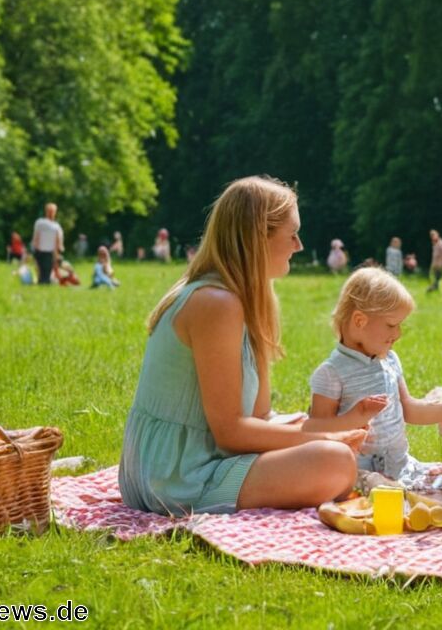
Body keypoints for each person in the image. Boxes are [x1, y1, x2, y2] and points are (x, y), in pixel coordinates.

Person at [118, 175, 364, 515]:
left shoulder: (250, 298)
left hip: (204, 458)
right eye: (291, 234)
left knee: (341, 445)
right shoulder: (214, 303)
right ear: (257, 237)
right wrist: (320, 439)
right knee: (334, 461)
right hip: (176, 477)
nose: (299, 245)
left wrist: (330, 428)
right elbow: (231, 433)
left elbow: (259, 416)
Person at [308, 267, 442, 504]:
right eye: (392, 325)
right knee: (376, 486)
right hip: (357, 471)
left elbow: (411, 410)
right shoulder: (331, 372)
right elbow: (316, 430)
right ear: (360, 320)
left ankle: (411, 496)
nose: (398, 333)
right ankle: (402, 497)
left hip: (400, 465)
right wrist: (354, 417)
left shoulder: (390, 360)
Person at [31, 203, 64, 285]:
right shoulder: (40, 222)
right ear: (46, 211)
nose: (51, 213)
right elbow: (36, 236)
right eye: (50, 211)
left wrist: (57, 253)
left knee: (46, 273)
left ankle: (44, 281)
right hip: (40, 251)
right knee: (42, 272)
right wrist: (35, 249)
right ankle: (43, 282)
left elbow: (58, 242)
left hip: (49, 252)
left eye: (53, 211)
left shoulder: (56, 226)